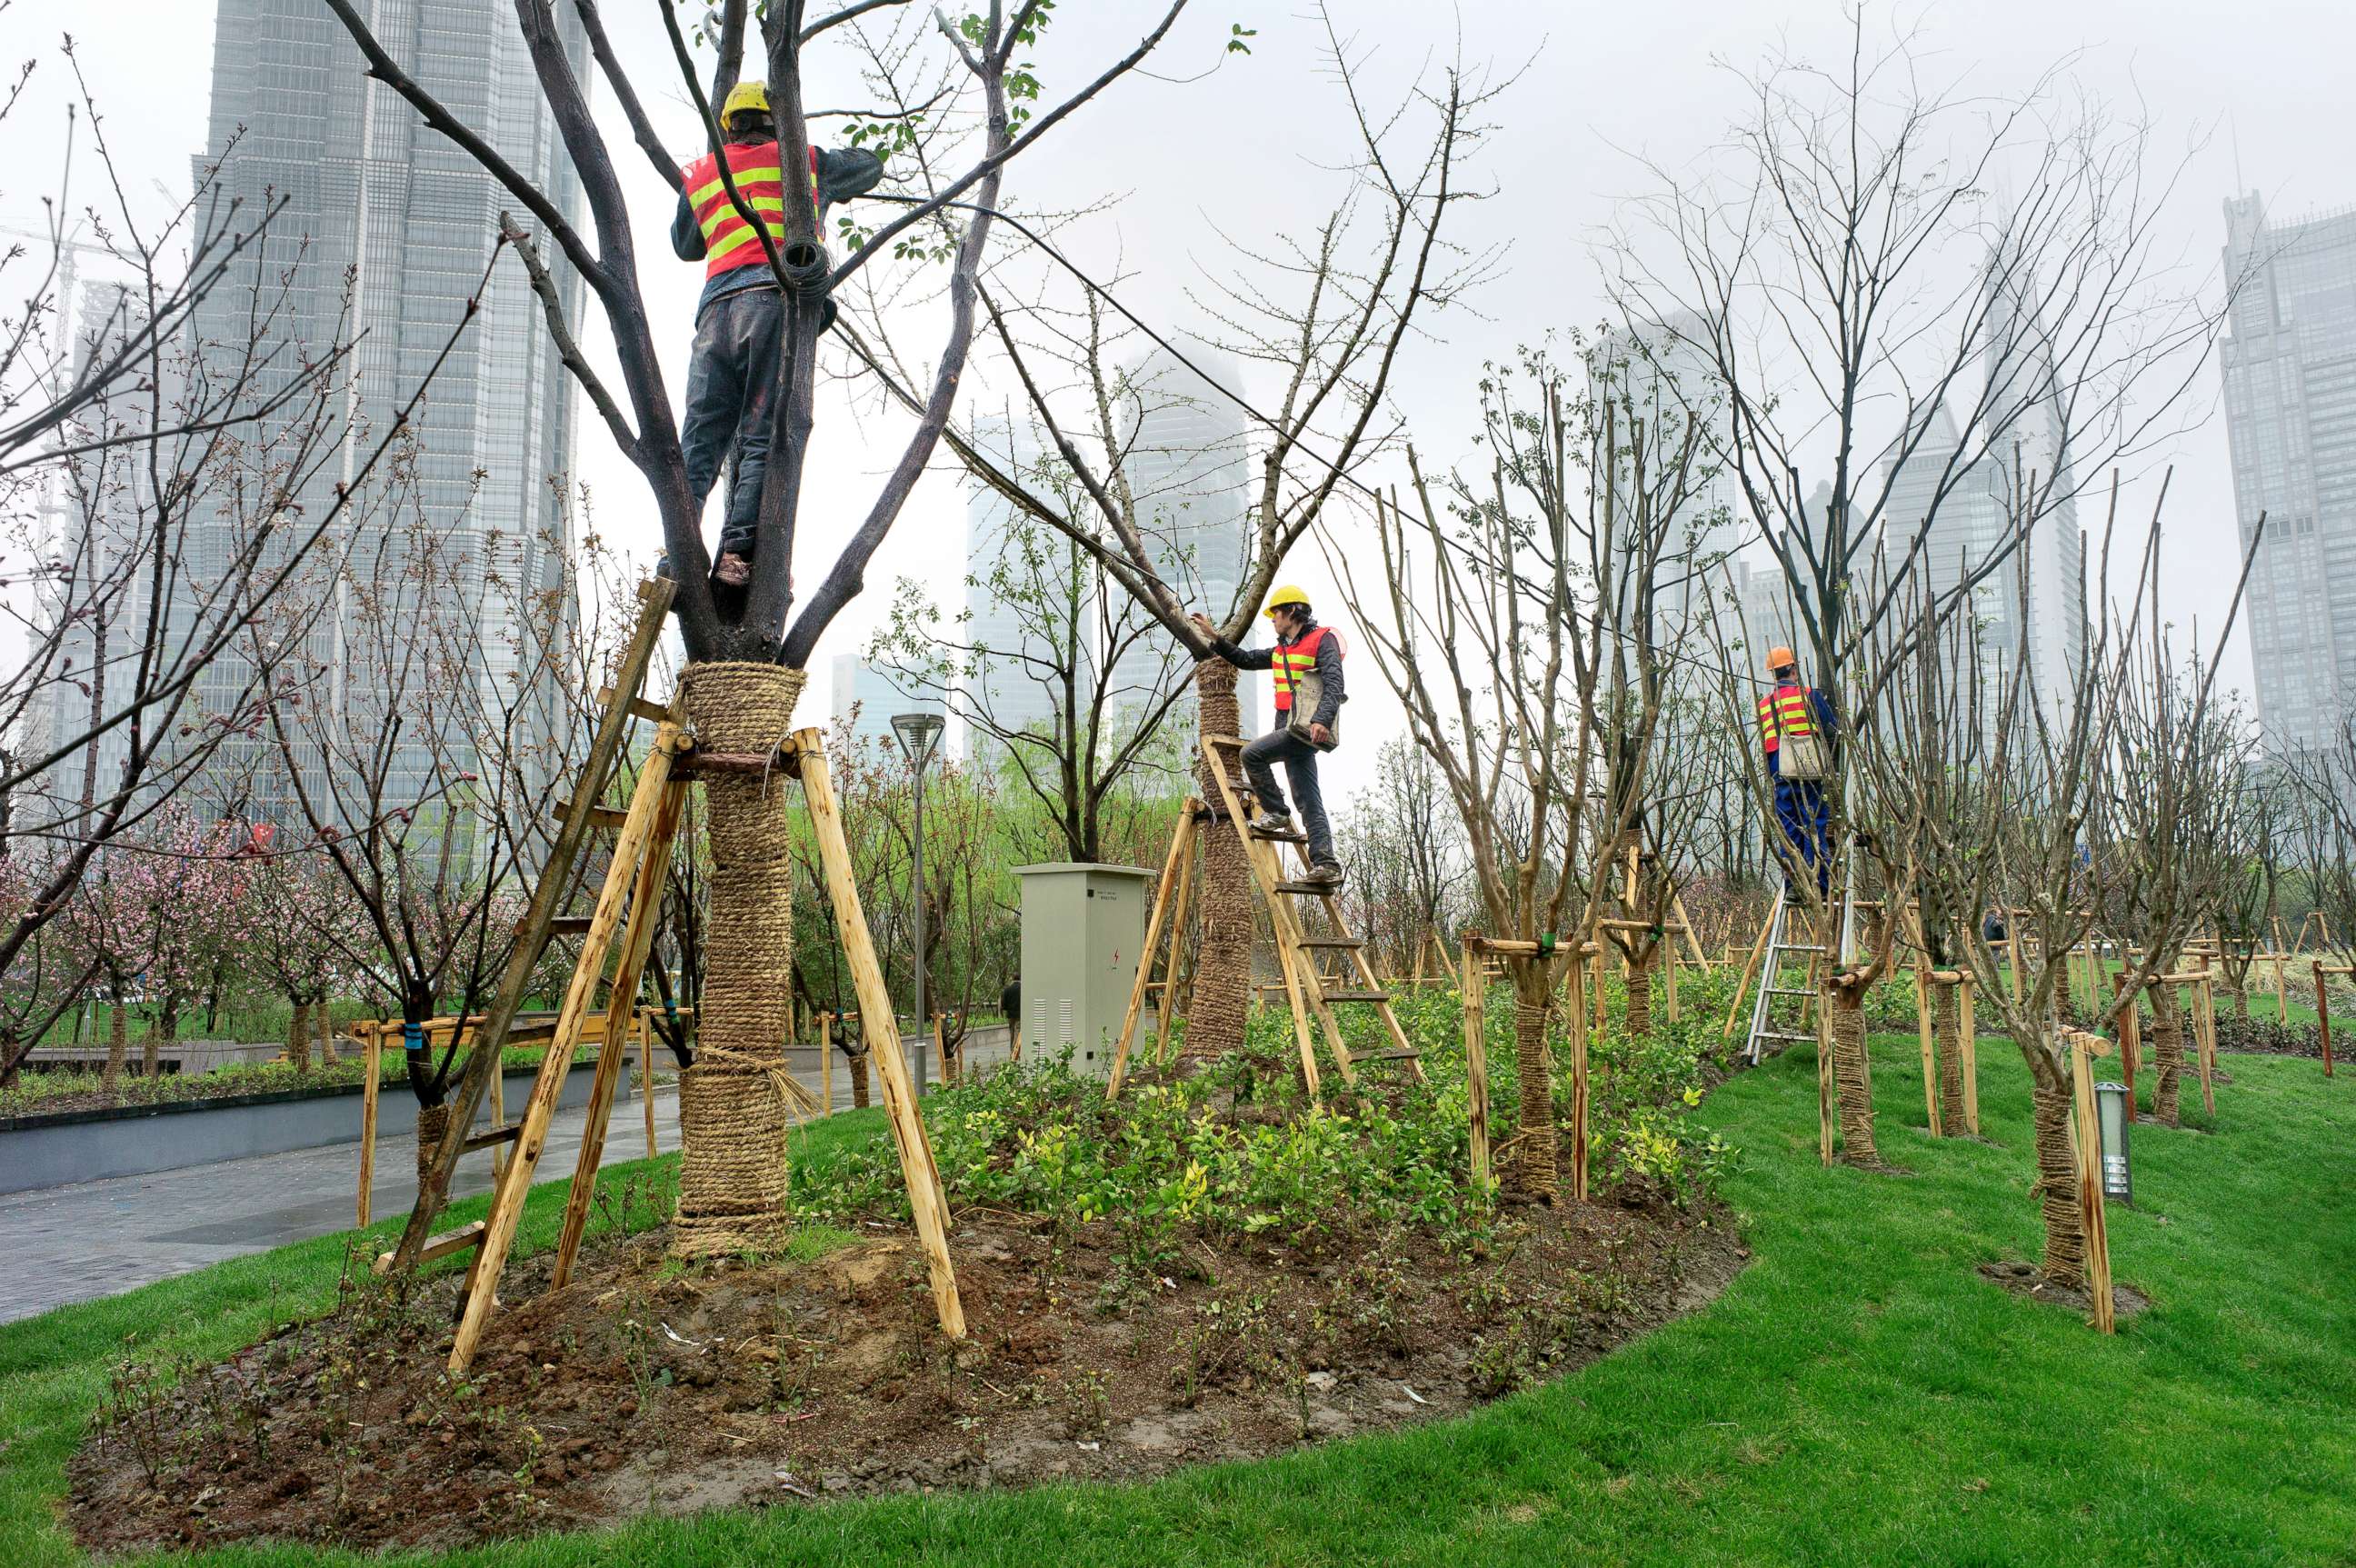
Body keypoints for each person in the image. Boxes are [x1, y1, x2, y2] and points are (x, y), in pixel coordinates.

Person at [673, 82, 883, 587]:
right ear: (779, 121)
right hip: (770, 301)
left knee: (699, 443)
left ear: (729, 126)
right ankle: (735, 553)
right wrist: (804, 147)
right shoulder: (803, 161)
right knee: (762, 429)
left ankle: (676, 554)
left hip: (715, 316)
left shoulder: (701, 174)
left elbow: (685, 245)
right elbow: (870, 165)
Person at [1190, 585, 1348, 887]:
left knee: (1251, 754)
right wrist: (1214, 636)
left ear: (1291, 611)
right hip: (1286, 727)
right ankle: (1326, 864)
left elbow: (1334, 684)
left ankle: (1275, 811)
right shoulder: (1280, 651)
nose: (1272, 619)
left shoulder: (1322, 639)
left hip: (1305, 728)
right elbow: (1245, 659)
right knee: (1308, 797)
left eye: (1275, 613)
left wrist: (1322, 720)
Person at [1756, 644, 1836, 894]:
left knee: (1789, 829)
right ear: (1793, 668)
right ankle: (1820, 884)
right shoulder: (1809, 695)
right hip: (1810, 770)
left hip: (1781, 772)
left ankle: (1793, 884)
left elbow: (1767, 744)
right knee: (1814, 824)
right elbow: (1831, 729)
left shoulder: (1765, 704)